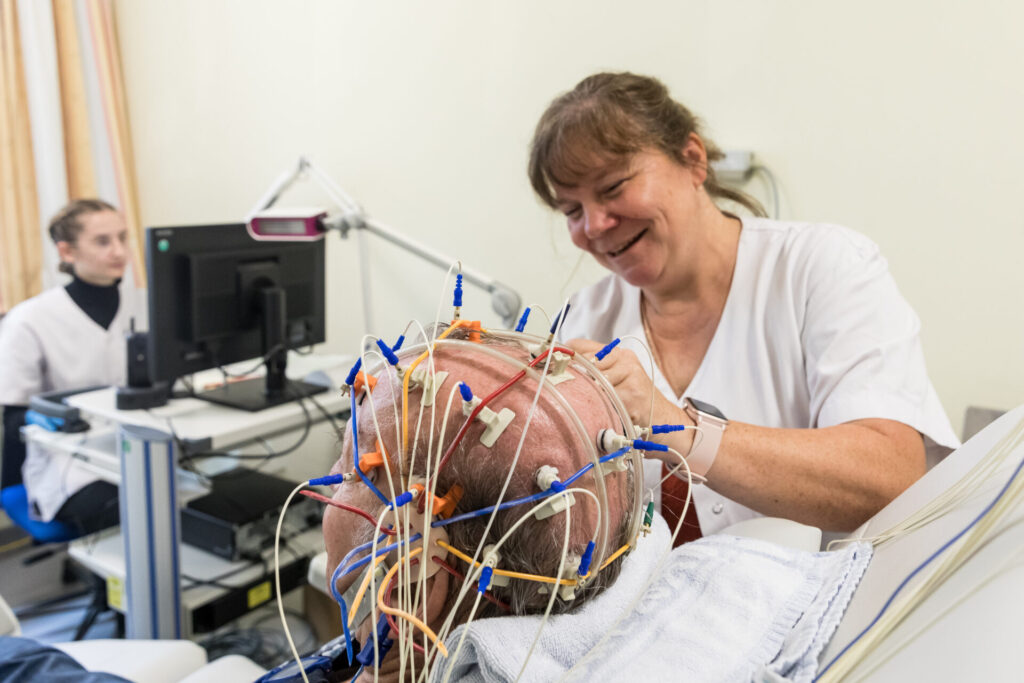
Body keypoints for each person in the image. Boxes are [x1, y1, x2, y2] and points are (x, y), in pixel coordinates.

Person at [528, 72, 959, 542]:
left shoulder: (824, 267)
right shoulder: (583, 321)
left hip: (846, 608)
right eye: (572, 211)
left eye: (613, 187)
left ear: (693, 159)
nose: (594, 225)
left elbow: (890, 477)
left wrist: (679, 430)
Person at [0, 198, 146, 534]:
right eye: (102, 241)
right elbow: (14, 418)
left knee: (203, 494)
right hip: (67, 463)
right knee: (128, 508)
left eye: (123, 238)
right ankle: (110, 587)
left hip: (136, 444)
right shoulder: (29, 319)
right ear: (67, 252)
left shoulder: (143, 303)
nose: (119, 251)